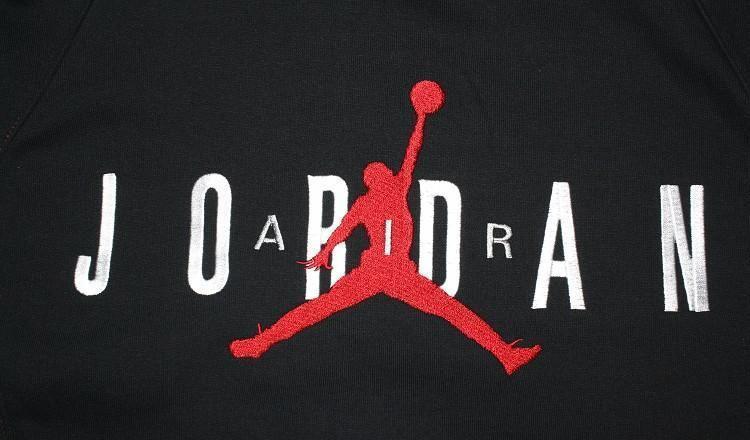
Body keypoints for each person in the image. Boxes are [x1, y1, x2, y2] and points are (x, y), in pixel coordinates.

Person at [230, 80, 541, 375]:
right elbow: (346, 227)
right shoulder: (380, 197)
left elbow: (410, 152)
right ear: (373, 180)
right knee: (323, 309)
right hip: (381, 270)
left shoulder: (391, 192)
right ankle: (260, 343)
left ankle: (505, 354)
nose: (383, 174)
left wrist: (421, 118)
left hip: (396, 272)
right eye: (378, 173)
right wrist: (326, 251)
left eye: (381, 172)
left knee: (448, 311)